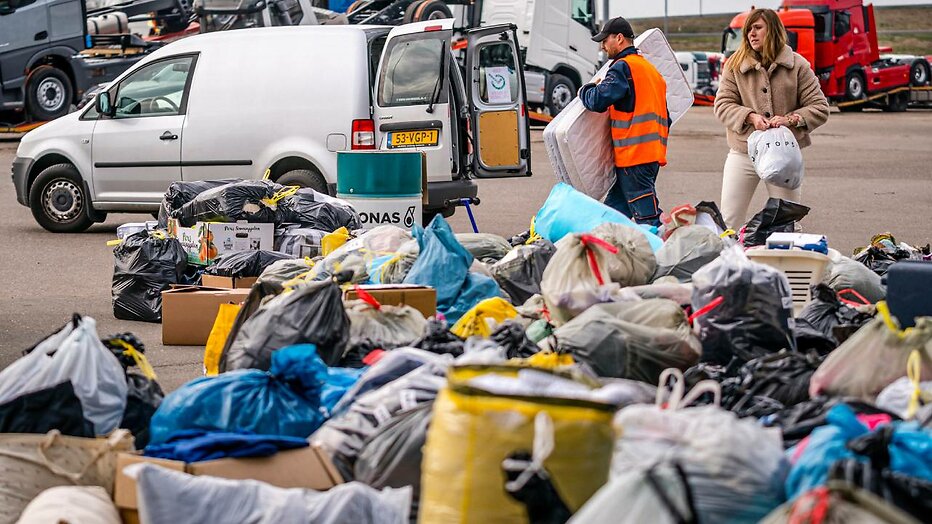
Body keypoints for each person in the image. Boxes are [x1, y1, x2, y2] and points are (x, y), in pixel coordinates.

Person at [714, 8, 829, 230]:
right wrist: (750, 117)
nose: (751, 34)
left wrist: (792, 119)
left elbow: (820, 107)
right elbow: (722, 105)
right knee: (729, 220)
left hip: (783, 154)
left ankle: (783, 261)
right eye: (748, 30)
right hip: (743, 152)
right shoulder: (735, 65)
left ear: (773, 30)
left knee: (787, 221)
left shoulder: (798, 65)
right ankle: (728, 263)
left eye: (757, 28)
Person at [579, 16, 669, 227]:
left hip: (634, 157)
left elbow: (597, 101)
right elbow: (667, 117)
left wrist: (586, 89)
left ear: (619, 38)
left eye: (605, 40)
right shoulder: (650, 70)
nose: (602, 46)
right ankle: (602, 247)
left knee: (648, 221)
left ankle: (665, 253)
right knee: (611, 217)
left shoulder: (622, 67)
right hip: (651, 156)